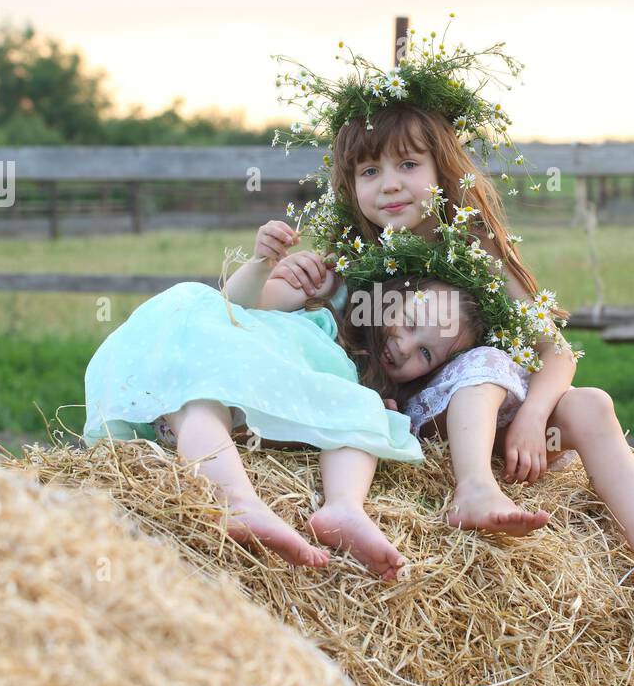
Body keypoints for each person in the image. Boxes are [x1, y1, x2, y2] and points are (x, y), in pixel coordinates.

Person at [269, 24, 634, 632]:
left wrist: (532, 417)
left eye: (407, 164)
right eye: (369, 171)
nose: (390, 183)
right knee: (481, 365)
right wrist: (283, 270)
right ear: (350, 187)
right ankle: (472, 490)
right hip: (424, 431)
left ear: (443, 170)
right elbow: (281, 317)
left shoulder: (480, 254)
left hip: (510, 430)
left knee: (592, 405)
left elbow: (557, 353)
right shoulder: (352, 261)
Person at [83, 218, 488, 581]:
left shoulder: (357, 383)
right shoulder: (331, 301)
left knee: (364, 417)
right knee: (204, 401)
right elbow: (236, 306)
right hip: (212, 368)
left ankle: (344, 508)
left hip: (248, 410)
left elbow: (334, 418)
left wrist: (373, 409)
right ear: (392, 296)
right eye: (410, 323)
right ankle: (236, 499)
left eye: (426, 354)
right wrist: (263, 264)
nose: (404, 346)